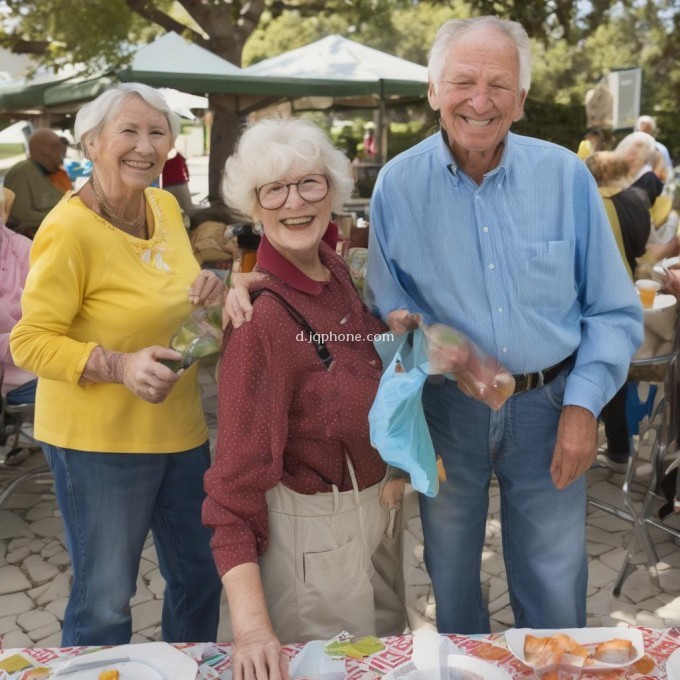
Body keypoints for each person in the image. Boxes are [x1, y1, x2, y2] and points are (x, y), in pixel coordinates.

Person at [363, 16, 643, 634]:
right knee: (451, 574)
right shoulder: (397, 185)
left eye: (499, 85)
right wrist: (409, 331)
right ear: (435, 91)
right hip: (445, 413)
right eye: (463, 81)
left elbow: (613, 310)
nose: (480, 100)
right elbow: (385, 301)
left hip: (551, 405)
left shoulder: (566, 177)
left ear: (520, 99)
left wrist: (584, 407)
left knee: (553, 581)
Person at [9, 82, 223, 646]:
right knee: (105, 598)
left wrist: (208, 290)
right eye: (128, 130)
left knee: (200, 579)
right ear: (92, 142)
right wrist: (118, 366)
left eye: (158, 133)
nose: (144, 146)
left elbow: (170, 294)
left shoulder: (164, 205)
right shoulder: (66, 228)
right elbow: (29, 341)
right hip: (99, 444)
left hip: (180, 433)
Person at [202, 117, 406, 680]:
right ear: (255, 206)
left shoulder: (334, 270)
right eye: (275, 189)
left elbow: (348, 361)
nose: (294, 201)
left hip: (373, 532)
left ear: (334, 193)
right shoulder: (259, 323)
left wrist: (395, 336)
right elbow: (231, 491)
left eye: (309, 183)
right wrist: (251, 628)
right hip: (314, 551)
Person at [585, 151, 653, 473]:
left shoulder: (585, 202)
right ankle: (618, 449)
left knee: (586, 368)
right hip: (629, 289)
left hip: (590, 296)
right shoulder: (637, 201)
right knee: (614, 367)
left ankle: (584, 445)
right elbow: (641, 248)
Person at [3, 128, 67, 234]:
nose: (61, 157)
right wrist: (65, 217)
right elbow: (19, 216)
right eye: (57, 148)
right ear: (45, 149)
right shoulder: (22, 171)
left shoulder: (45, 172)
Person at [635, 115, 675, 190]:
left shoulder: (661, 149)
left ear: (652, 131)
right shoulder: (631, 149)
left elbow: (668, 174)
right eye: (643, 130)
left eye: (648, 130)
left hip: (654, 192)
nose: (645, 134)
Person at [161, 148, 196, 217]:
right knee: (188, 209)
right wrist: (187, 177)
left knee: (169, 212)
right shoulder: (177, 154)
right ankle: (192, 225)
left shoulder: (160, 156)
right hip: (180, 184)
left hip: (166, 186)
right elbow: (185, 165)